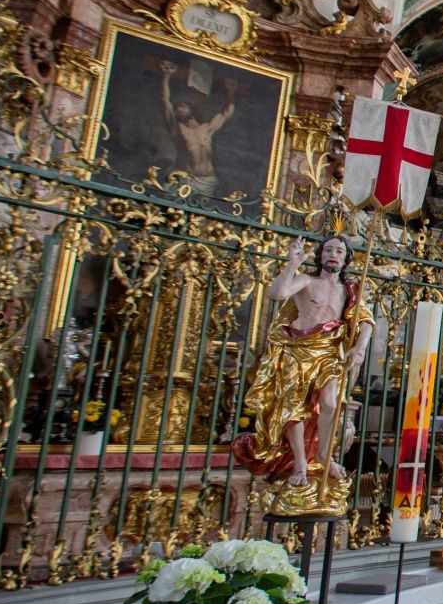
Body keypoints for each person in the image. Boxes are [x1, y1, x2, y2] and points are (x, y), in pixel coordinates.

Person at [233, 236, 376, 498]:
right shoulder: (307, 281)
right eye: (328, 250)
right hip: (298, 349)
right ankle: (300, 462)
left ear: (346, 259)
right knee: (293, 407)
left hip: (328, 352)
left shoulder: (350, 290)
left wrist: (360, 348)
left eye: (339, 251)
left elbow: (365, 320)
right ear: (321, 256)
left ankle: (323, 454)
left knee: (330, 404)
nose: (333, 254)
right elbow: (277, 294)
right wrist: (292, 263)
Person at [158, 62, 237, 196]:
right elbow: (165, 101)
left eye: (182, 106)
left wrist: (231, 92)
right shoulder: (177, 129)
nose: (179, 109)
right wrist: (166, 76)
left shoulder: (207, 128)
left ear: (191, 108)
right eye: (176, 108)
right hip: (184, 179)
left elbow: (226, 113)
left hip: (207, 181)